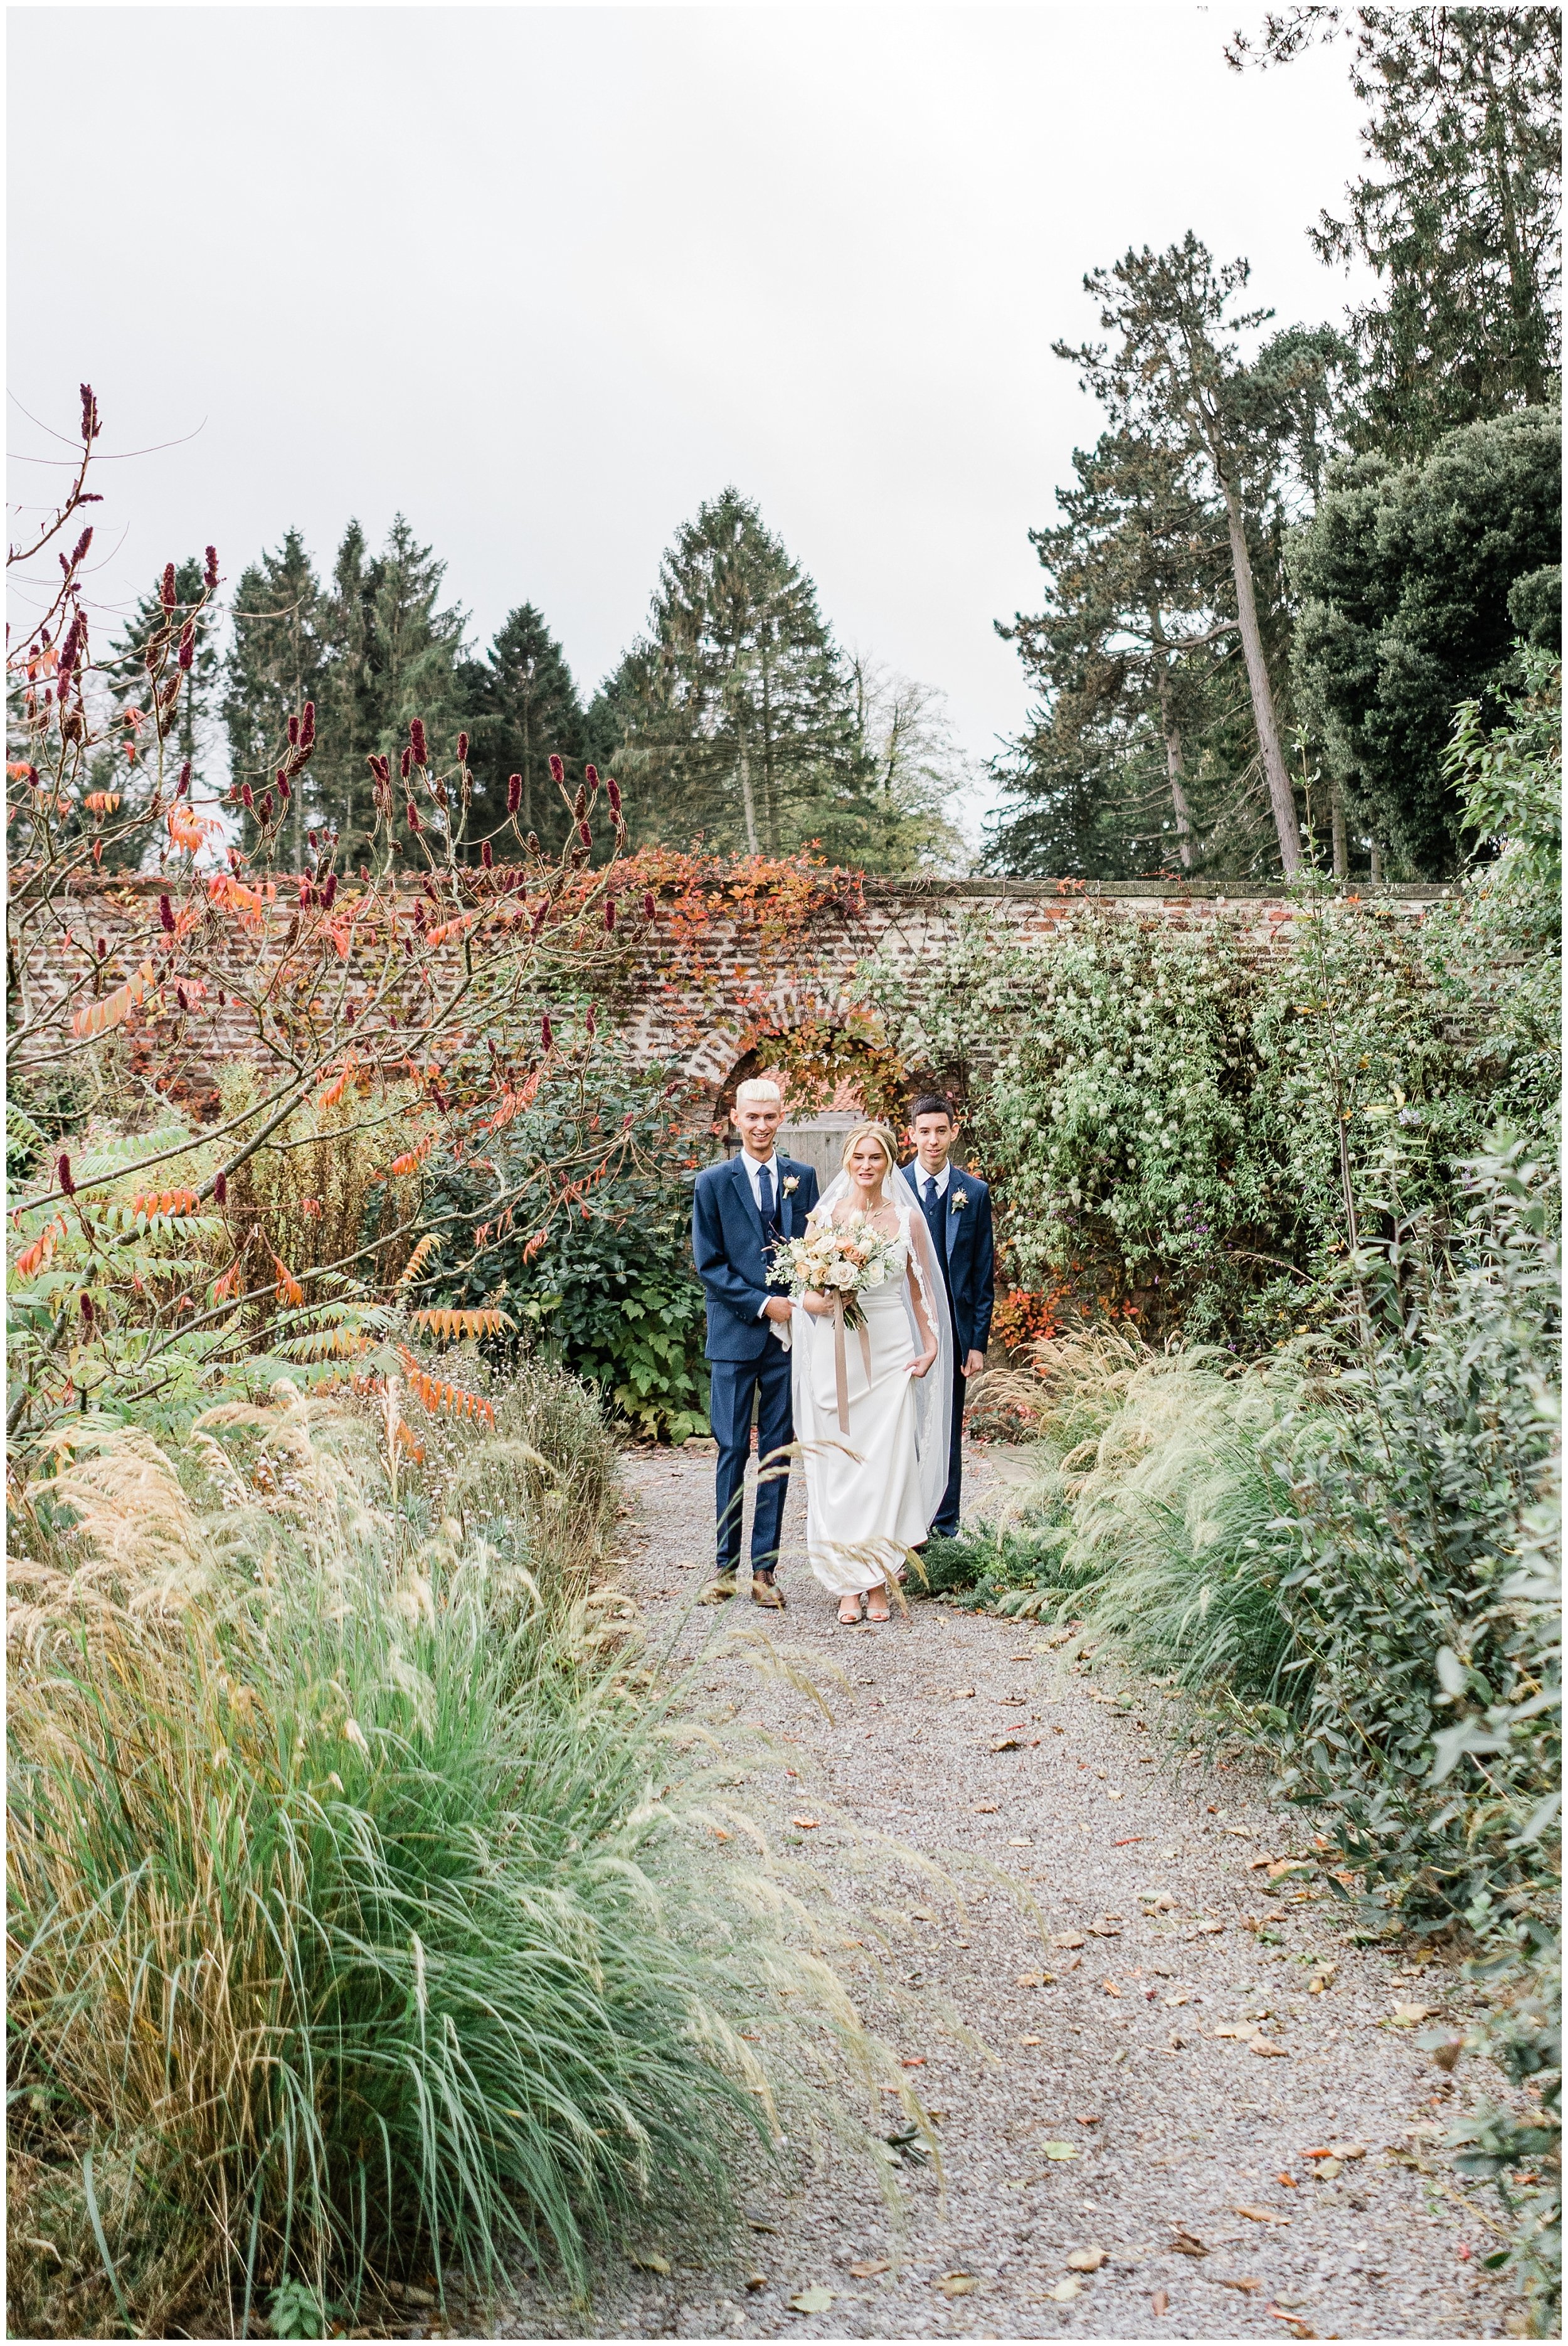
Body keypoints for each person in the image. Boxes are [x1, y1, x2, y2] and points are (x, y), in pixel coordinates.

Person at [792, 1122, 952, 1626]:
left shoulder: (907, 1220)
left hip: (889, 1356)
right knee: (842, 1469)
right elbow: (805, 1296)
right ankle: (846, 1583)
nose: (867, 1166)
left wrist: (931, 1348)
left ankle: (879, 1580)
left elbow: (923, 1290)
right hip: (837, 1355)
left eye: (876, 1158)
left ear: (888, 1163)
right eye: (858, 1157)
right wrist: (835, 1295)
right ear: (846, 1161)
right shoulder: (822, 1219)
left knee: (886, 1470)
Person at [691, 1078, 820, 1608]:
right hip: (735, 1335)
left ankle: (765, 1573)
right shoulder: (713, 1183)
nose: (762, 1126)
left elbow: (816, 1251)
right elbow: (710, 1267)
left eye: (770, 1117)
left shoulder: (802, 1178)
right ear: (736, 1119)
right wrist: (765, 1305)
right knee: (730, 1449)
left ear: (780, 1117)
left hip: (790, 1341)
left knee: (777, 1454)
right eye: (753, 1117)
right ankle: (724, 1570)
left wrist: (802, 1303)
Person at [896, 1093, 994, 1539]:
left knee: (946, 1428)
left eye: (941, 1130)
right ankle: (906, 1526)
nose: (932, 1141)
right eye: (924, 1131)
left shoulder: (973, 1193)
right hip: (900, 1329)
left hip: (952, 1332)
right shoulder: (891, 1188)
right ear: (911, 1134)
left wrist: (977, 1342)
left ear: (954, 1132)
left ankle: (946, 1529)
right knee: (903, 1429)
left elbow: (981, 1273)